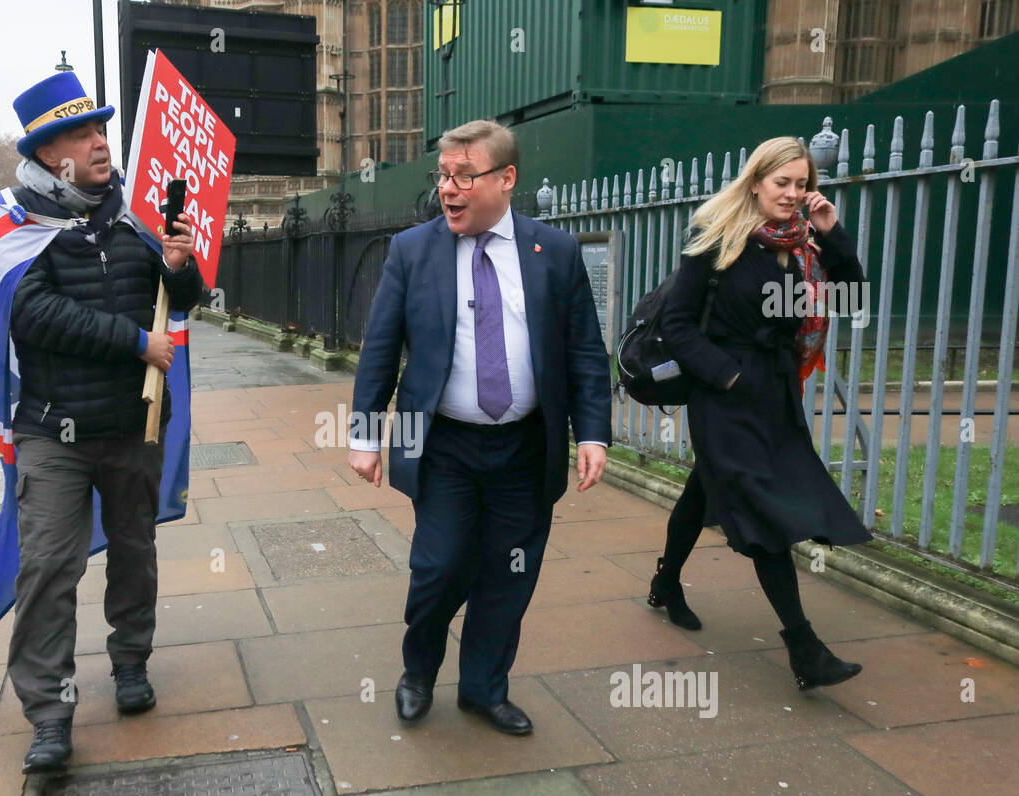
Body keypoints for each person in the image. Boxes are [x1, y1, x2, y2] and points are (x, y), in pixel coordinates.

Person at [348, 120, 612, 735]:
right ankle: (418, 671)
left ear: (506, 179)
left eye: (464, 176)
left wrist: (593, 433)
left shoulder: (556, 252)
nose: (448, 189)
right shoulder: (412, 251)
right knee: (439, 567)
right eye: (443, 175)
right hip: (442, 443)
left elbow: (583, 353)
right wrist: (365, 436)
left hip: (525, 448)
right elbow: (380, 350)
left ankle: (484, 689)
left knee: (508, 572)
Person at [4, 72, 203, 772]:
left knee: (134, 552)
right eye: (83, 134)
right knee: (49, 569)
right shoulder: (16, 226)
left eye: (100, 131)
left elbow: (187, 298)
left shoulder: (137, 217)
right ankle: (52, 715)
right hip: (52, 434)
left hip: (131, 427)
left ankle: (129, 667)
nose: (99, 143)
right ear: (49, 150)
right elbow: (31, 314)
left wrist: (179, 268)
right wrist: (133, 342)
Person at [648, 136, 871, 690]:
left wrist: (832, 232)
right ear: (755, 183)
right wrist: (728, 376)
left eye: (803, 184)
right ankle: (804, 648)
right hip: (724, 393)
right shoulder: (716, 240)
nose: (795, 194)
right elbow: (676, 325)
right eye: (784, 183)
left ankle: (665, 582)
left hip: (775, 391)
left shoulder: (804, 248)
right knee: (766, 516)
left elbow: (851, 300)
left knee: (704, 489)